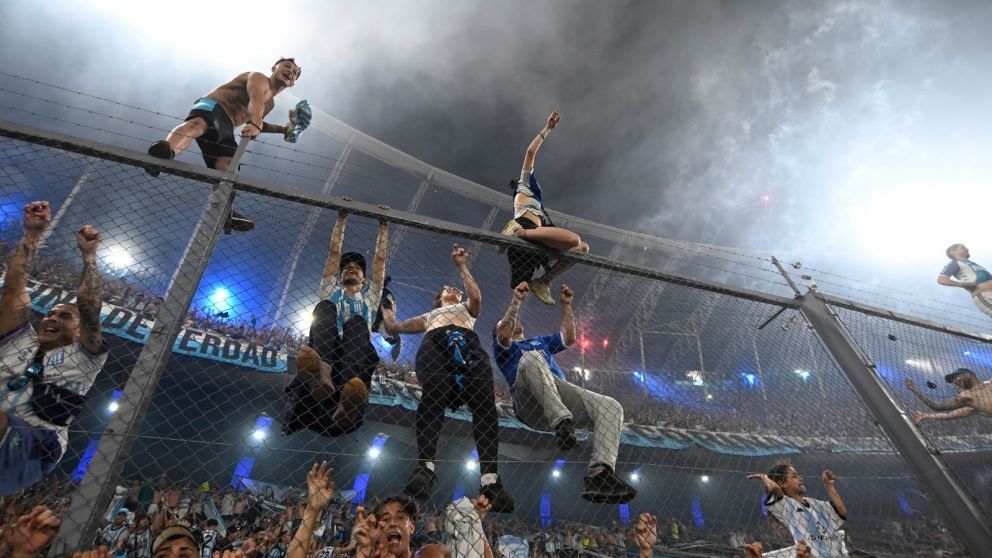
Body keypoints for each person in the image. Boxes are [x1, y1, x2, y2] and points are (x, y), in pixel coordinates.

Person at [382, 245, 515, 513]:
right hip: (436, 344)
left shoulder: (467, 308)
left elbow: (476, 297)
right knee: (433, 396)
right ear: (439, 297)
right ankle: (426, 467)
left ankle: (490, 480)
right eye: (447, 289)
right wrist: (384, 304)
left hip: (468, 346)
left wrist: (462, 266)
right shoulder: (430, 316)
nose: (452, 289)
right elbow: (395, 326)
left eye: (455, 289)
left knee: (485, 407)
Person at [493, 282, 635, 504]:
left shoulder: (539, 341)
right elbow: (503, 335)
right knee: (531, 358)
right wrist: (516, 302)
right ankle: (562, 424)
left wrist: (566, 305)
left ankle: (600, 474)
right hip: (528, 399)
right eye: (506, 322)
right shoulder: (504, 349)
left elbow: (568, 338)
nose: (513, 322)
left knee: (611, 406)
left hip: (557, 392)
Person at [1, 201, 108, 496]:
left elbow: (89, 308)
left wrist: (89, 257)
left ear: (78, 331)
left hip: (37, 443)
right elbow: (12, 289)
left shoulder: (84, 357)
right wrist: (32, 234)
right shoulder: (19, 338)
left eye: (64, 316)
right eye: (50, 313)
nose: (52, 318)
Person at [146, 58, 308, 233]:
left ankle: (224, 211)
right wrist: (256, 124)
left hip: (226, 125)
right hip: (214, 106)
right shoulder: (259, 78)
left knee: (229, 166)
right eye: (287, 66)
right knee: (198, 125)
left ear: (292, 83)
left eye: (294, 73)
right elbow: (255, 101)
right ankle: (162, 153)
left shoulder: (270, 104)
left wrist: (283, 130)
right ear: (274, 68)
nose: (290, 72)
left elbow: (256, 116)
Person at [282, 200, 389, 438]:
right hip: (327, 344)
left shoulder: (370, 296)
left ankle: (345, 401)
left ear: (364, 279)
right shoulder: (331, 289)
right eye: (346, 267)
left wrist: (383, 225)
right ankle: (322, 377)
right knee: (324, 307)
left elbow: (379, 262)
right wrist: (342, 217)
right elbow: (333, 252)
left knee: (358, 323)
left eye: (357, 268)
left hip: (354, 349)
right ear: (340, 276)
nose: (351, 268)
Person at [501, 110, 589, 305]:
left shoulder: (537, 204)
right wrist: (548, 128)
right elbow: (530, 152)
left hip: (538, 239)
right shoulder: (524, 184)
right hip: (526, 230)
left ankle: (543, 282)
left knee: (582, 248)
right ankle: (517, 232)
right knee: (573, 239)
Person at [747, 465, 848, 558]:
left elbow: (842, 512)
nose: (800, 478)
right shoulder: (785, 506)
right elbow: (775, 489)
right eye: (794, 476)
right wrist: (764, 477)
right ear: (782, 483)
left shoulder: (814, 503)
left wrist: (829, 486)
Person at [906, 368, 992, 424]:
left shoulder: (989, 384)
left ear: (967, 374)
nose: (954, 381)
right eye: (953, 380)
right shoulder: (967, 399)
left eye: (955, 377)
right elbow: (938, 407)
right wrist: (915, 390)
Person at [937, 243, 992, 318]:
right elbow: (941, 279)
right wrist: (962, 284)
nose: (967, 249)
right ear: (953, 252)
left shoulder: (973, 263)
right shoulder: (954, 263)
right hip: (985, 295)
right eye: (962, 248)